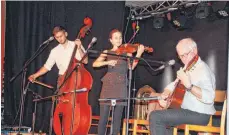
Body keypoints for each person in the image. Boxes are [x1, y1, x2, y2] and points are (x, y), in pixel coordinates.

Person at [149, 38, 216, 135]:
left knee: (156, 116)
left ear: (195, 51)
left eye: (185, 55)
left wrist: (189, 86)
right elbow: (173, 85)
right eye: (181, 56)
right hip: (186, 111)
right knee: (165, 123)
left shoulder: (203, 69)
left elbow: (209, 97)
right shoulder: (187, 68)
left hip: (200, 114)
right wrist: (166, 93)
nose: (183, 59)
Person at [93, 29, 145, 135]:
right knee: (103, 119)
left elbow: (131, 67)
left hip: (121, 85)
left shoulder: (127, 53)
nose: (119, 40)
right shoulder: (107, 52)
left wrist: (138, 54)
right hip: (108, 86)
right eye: (116, 38)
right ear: (111, 40)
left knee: (117, 120)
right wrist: (107, 62)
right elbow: (95, 64)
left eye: (120, 37)